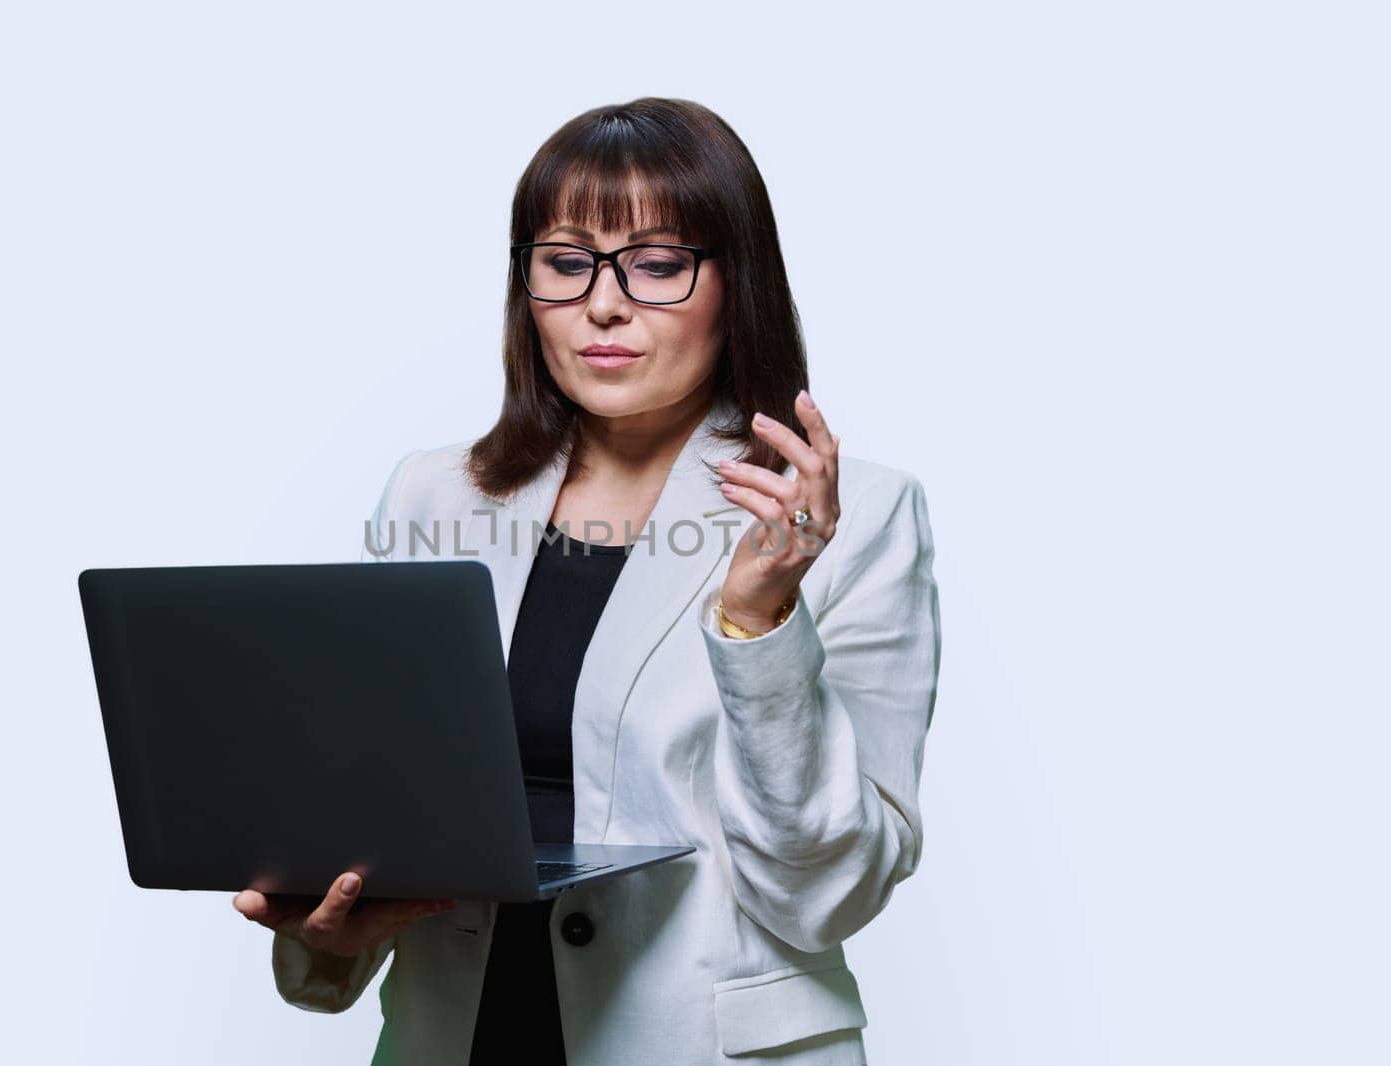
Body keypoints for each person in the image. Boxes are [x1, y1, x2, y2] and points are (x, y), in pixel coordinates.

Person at [232, 96, 942, 1065]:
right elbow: (385, 799)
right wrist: (326, 924)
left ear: (738, 284)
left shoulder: (852, 516)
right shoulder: (433, 493)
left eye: (657, 264)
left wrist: (759, 622)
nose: (604, 304)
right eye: (565, 264)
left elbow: (826, 892)